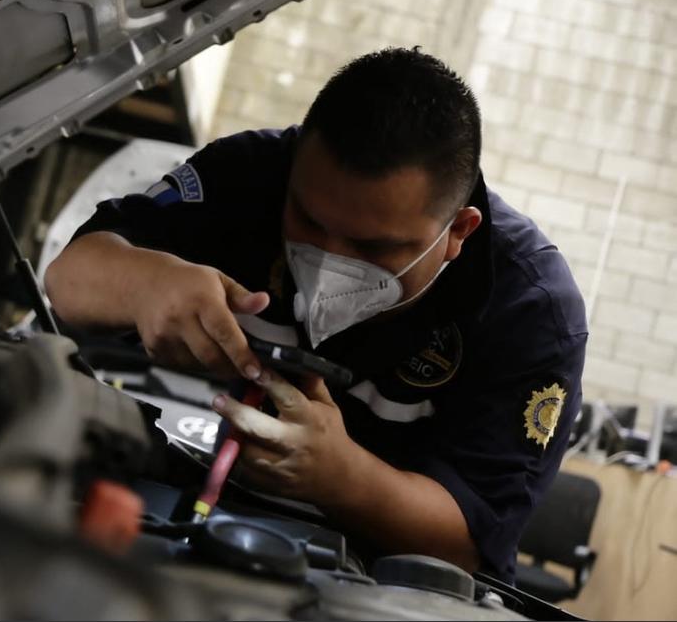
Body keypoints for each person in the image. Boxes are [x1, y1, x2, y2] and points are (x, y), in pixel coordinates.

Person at [45, 47, 587, 582]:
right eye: (307, 219)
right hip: (206, 519)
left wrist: (342, 478)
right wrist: (144, 281)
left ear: (457, 234)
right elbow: (68, 278)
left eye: (374, 247)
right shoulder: (248, 173)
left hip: (381, 582)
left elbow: (472, 544)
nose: (330, 260)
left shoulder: (531, 310)